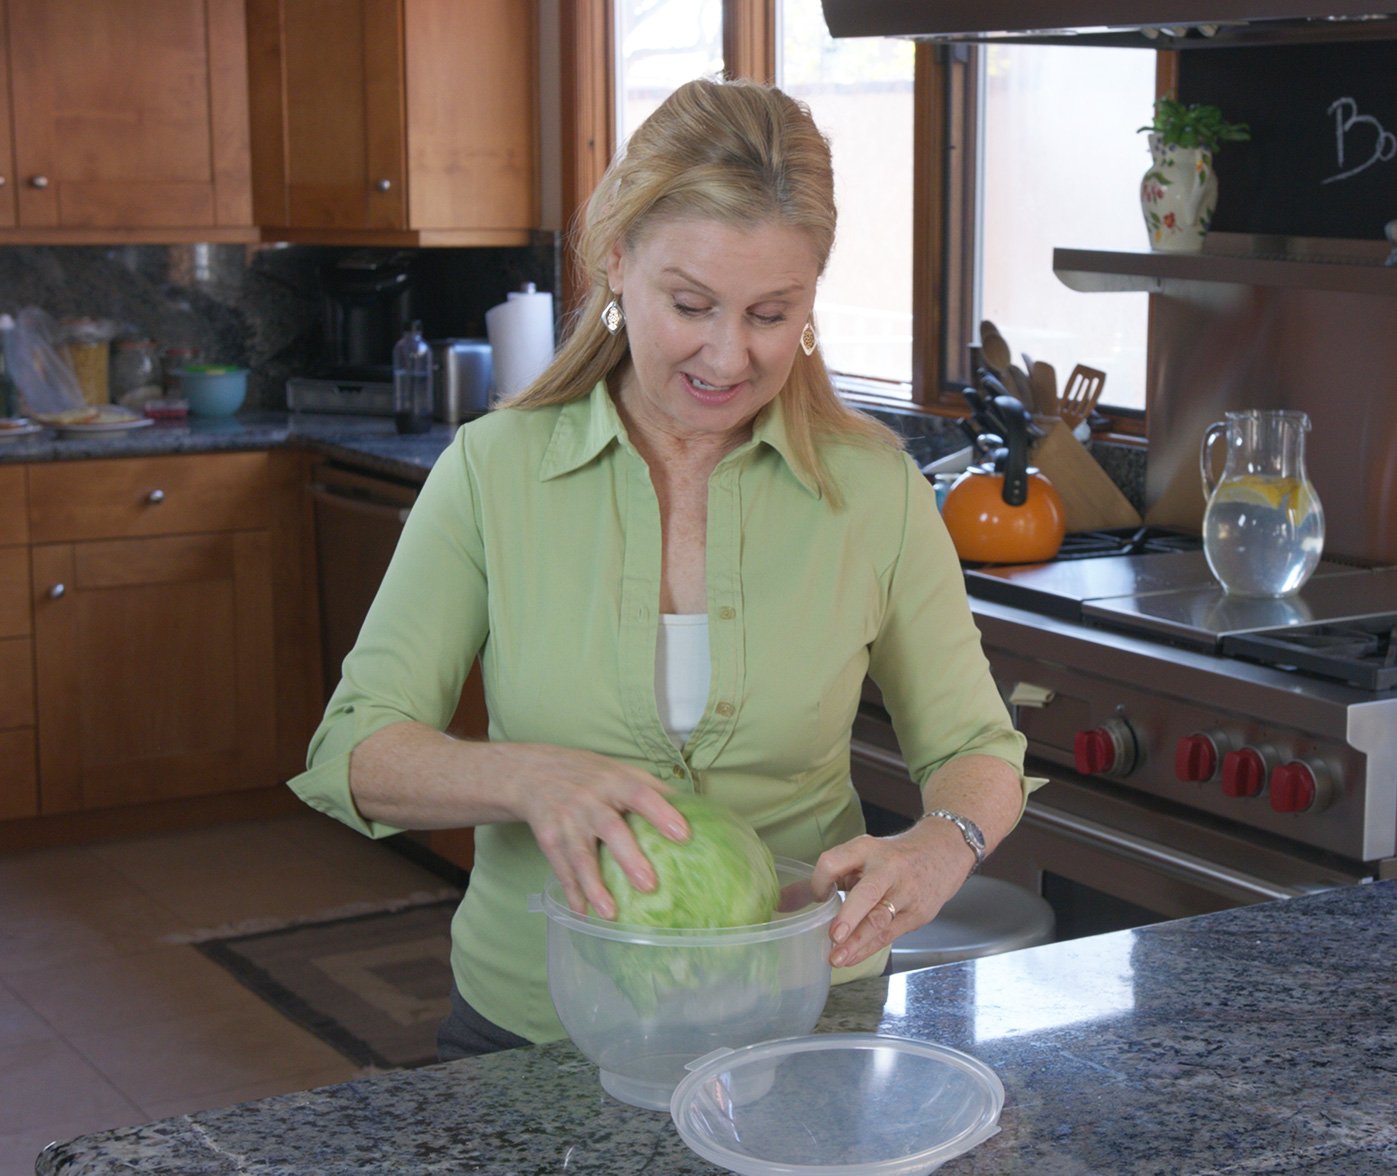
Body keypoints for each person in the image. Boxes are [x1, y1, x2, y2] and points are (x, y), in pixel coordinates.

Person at [289, 77, 1039, 1058]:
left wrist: (947, 842)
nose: (727, 357)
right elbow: (353, 750)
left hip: (802, 1018)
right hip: (540, 1027)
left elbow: (975, 748)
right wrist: (523, 777)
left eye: (770, 313)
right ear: (616, 262)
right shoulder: (492, 472)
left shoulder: (874, 492)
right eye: (690, 305)